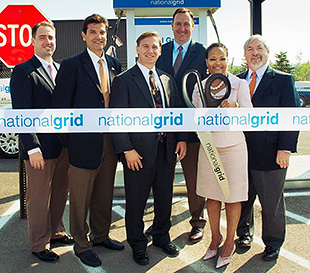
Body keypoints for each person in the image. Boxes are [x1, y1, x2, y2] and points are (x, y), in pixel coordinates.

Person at [52, 14, 124, 267]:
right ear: (84, 35)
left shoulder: (115, 64)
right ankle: (82, 245)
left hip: (109, 141)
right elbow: (60, 106)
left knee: (104, 193)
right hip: (82, 143)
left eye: (102, 32)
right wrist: (70, 141)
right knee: (81, 197)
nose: (98, 36)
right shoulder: (71, 65)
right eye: (93, 32)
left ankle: (101, 236)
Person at [110, 31, 187, 266]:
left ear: (160, 50)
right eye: (146, 46)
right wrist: (126, 149)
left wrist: (181, 138)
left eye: (155, 47)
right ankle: (137, 243)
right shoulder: (124, 80)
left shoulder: (166, 78)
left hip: (167, 150)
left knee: (165, 197)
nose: (150, 51)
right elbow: (117, 118)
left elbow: (175, 112)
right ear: (137, 49)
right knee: (136, 201)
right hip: (138, 154)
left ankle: (162, 236)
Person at [10, 21, 73, 262]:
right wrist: (32, 147)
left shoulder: (60, 69)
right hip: (39, 150)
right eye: (43, 37)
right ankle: (39, 244)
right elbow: (21, 114)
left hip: (62, 146)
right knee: (38, 198)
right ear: (33, 41)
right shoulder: (23, 71)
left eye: (52, 38)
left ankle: (56, 231)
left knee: (59, 193)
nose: (48, 42)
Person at [236, 35, 300, 261]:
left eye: (259, 48)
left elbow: (292, 117)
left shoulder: (283, 80)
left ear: (267, 52)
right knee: (243, 198)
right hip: (241, 152)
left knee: (271, 202)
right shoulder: (237, 80)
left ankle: (273, 242)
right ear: (245, 54)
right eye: (250, 49)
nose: (255, 53)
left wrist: (285, 148)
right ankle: (243, 233)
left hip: (271, 154)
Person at [192, 43, 252, 269]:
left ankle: (229, 243)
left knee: (233, 196)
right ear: (206, 63)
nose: (217, 63)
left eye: (222, 58)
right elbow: (195, 118)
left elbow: (250, 116)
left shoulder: (239, 84)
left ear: (228, 60)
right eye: (213, 59)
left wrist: (235, 106)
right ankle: (215, 238)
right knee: (213, 196)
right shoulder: (200, 86)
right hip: (209, 147)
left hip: (234, 147)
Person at [155, 7, 208, 243]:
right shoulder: (161, 51)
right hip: (163, 129)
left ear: (193, 26)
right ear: (172, 26)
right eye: (178, 24)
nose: (182, 28)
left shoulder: (203, 53)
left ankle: (198, 222)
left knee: (194, 179)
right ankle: (159, 224)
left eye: (186, 24)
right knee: (161, 179)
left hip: (193, 130)